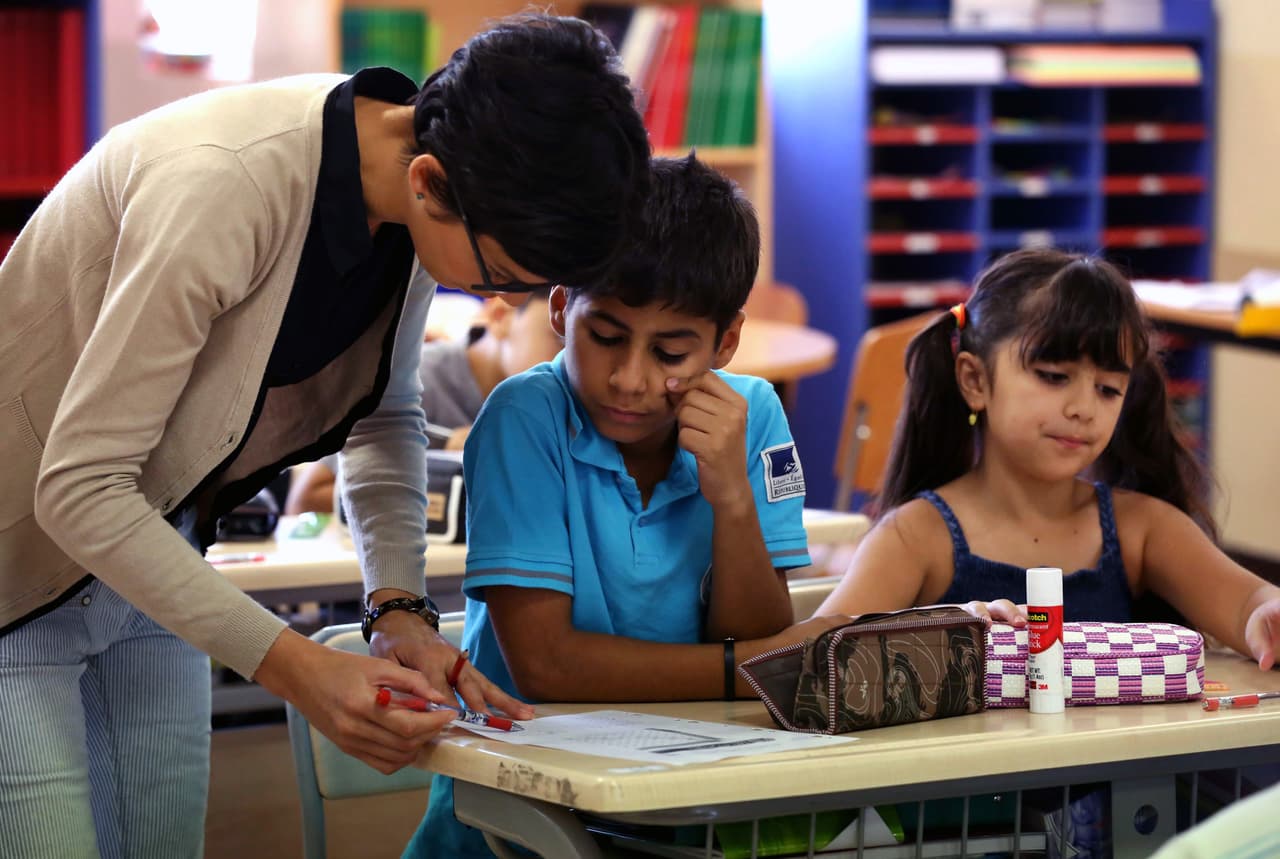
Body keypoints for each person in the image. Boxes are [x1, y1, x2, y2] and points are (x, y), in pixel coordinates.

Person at [0, 13, 649, 858]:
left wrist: (400, 609)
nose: (518, 304)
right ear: (427, 180)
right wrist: (300, 668)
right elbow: (77, 486)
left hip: (148, 559)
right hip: (16, 571)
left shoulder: (418, 197)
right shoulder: (224, 184)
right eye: (511, 277)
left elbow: (383, 416)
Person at [404, 154, 848, 858]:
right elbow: (548, 666)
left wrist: (732, 496)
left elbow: (759, 624)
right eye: (605, 336)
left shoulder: (756, 417)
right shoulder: (523, 417)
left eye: (671, 352)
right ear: (559, 309)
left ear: (725, 342)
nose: (631, 379)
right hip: (513, 813)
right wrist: (762, 662)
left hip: (681, 799)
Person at [816, 249, 1280, 671]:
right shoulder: (915, 537)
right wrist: (933, 630)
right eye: (1054, 377)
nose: (1083, 408)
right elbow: (812, 657)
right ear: (975, 380)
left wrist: (1265, 613)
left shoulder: (1144, 529)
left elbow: (1248, 603)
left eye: (1108, 389)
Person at [284, 289, 562, 515]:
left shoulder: (558, 409)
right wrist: (444, 465)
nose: (571, 360)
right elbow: (307, 497)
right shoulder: (408, 381)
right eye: (559, 337)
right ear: (499, 315)